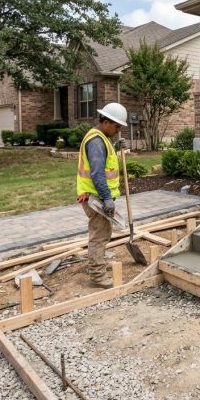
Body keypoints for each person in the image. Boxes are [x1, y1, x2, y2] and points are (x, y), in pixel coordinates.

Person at [76, 102, 127, 288]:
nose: (118, 130)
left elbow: (103, 163)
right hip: (95, 198)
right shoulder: (97, 142)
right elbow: (97, 174)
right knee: (99, 235)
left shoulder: (101, 138)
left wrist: (115, 146)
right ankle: (97, 276)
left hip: (95, 195)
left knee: (102, 232)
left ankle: (97, 266)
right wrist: (106, 198)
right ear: (106, 122)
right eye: (117, 126)